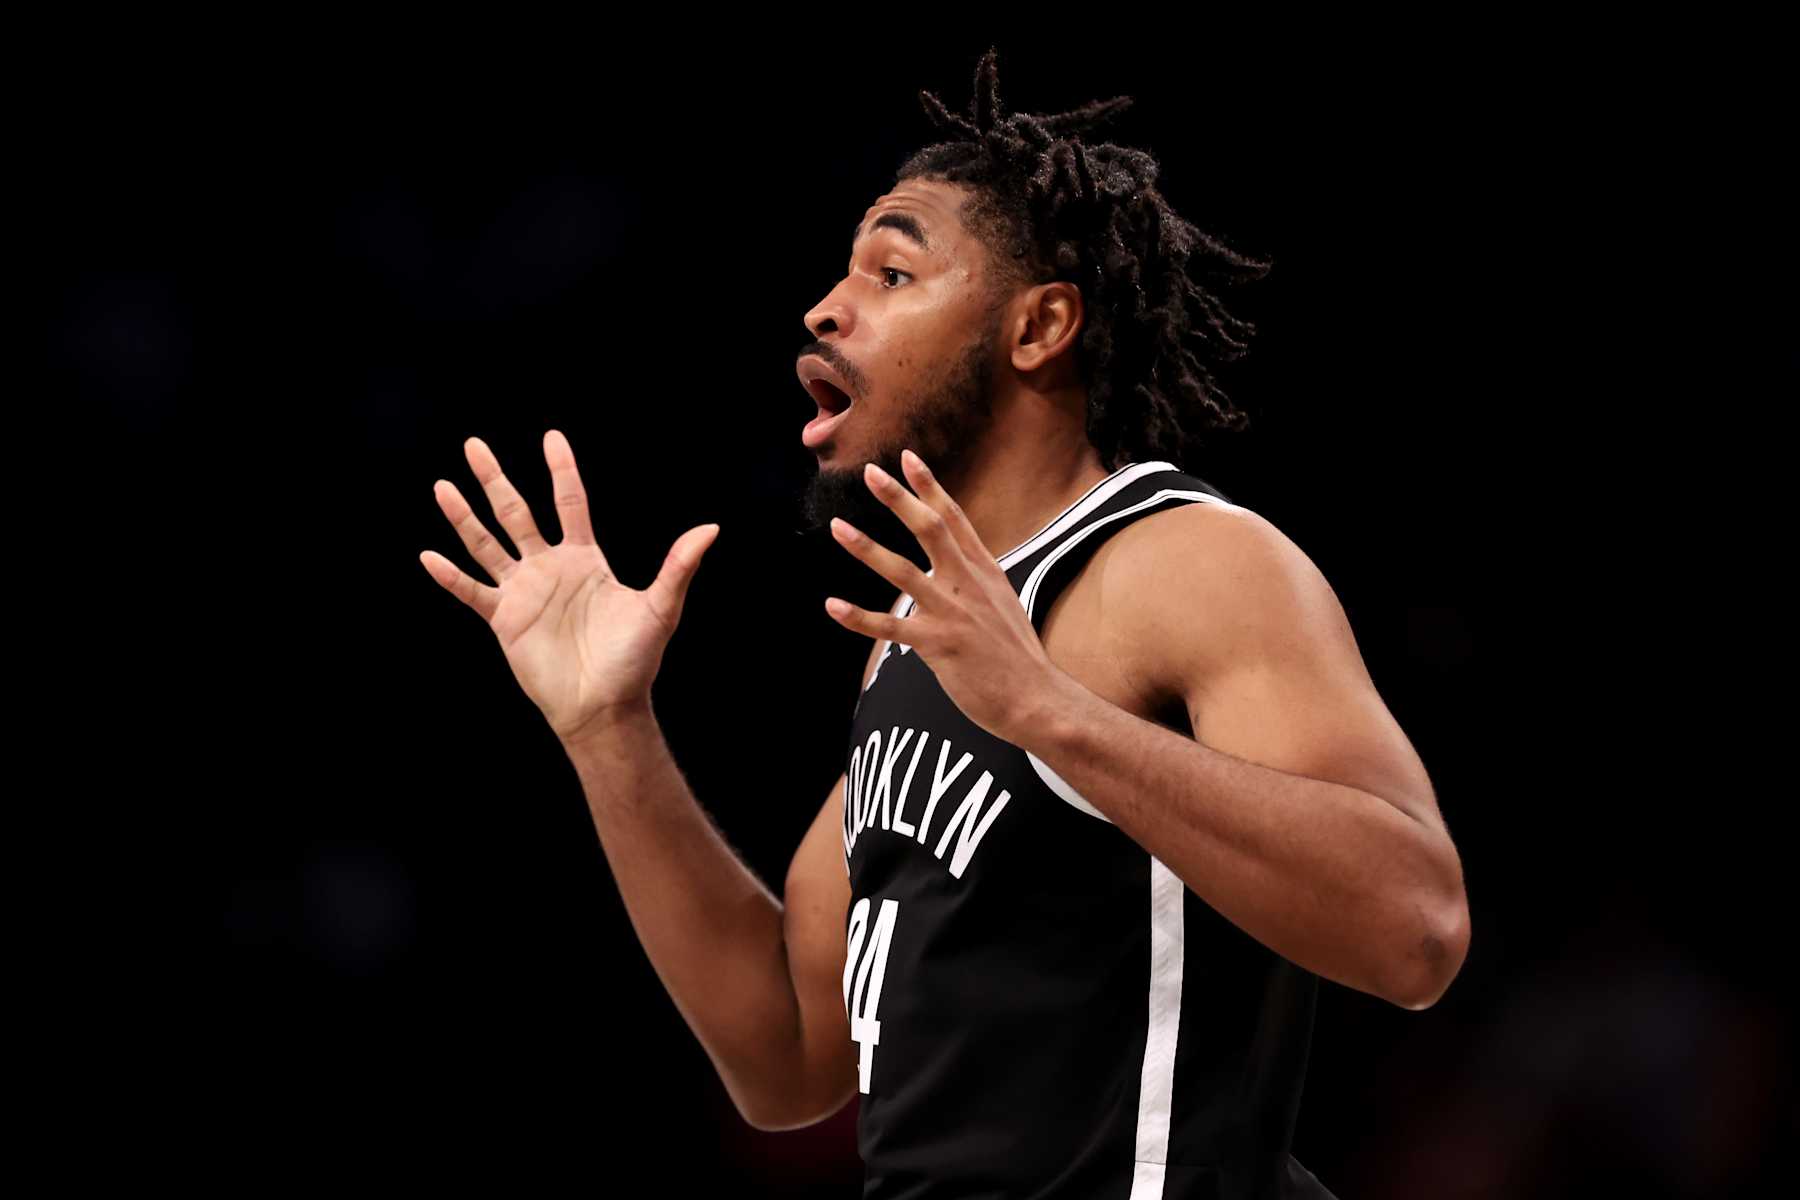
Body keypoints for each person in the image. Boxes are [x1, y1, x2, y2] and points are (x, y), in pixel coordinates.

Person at [419, 47, 1468, 1200]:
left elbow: (1413, 930)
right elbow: (785, 1053)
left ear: (1038, 328)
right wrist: (610, 729)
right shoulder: (919, 637)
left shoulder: (1180, 562)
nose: (827, 305)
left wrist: (1054, 717)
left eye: (893, 272)